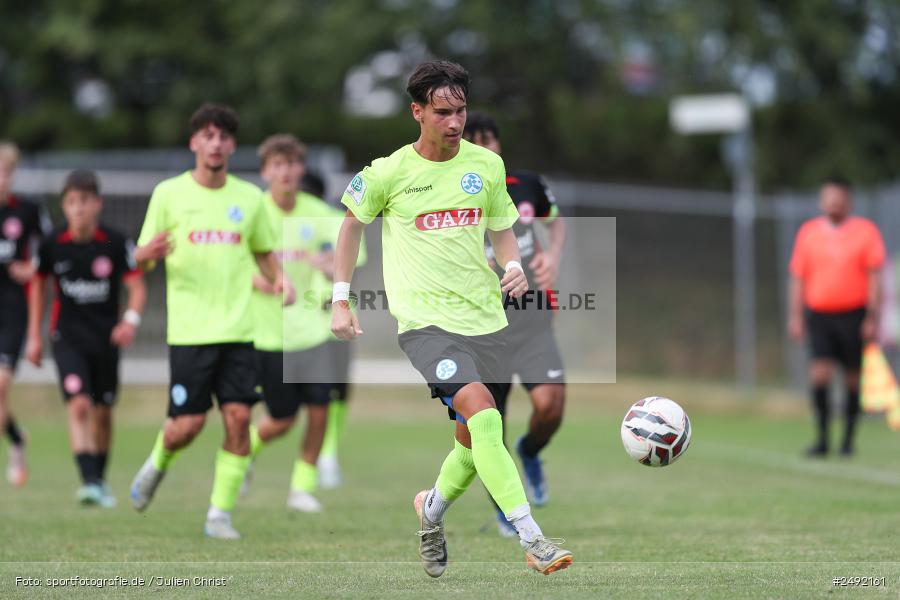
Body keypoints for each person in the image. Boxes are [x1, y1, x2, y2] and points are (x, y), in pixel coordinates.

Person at [331, 60, 572, 577]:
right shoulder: (388, 172)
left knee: (470, 443)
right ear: (417, 112)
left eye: (460, 110)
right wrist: (339, 297)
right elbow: (350, 226)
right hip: (425, 327)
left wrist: (511, 264)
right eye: (443, 112)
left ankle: (431, 511)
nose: (455, 121)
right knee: (487, 417)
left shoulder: (484, 166)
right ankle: (534, 539)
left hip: (486, 321)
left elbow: (504, 226)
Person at [128, 103, 293, 539]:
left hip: (239, 331)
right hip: (189, 333)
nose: (216, 143)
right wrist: (143, 256)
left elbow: (262, 250)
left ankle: (219, 514)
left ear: (231, 145)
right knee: (188, 426)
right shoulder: (169, 194)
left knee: (239, 419)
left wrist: (281, 281)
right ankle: (157, 462)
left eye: (223, 136)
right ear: (195, 143)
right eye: (208, 135)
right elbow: (142, 259)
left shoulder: (249, 198)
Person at [246, 134, 363, 511]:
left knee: (319, 410)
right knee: (281, 419)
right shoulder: (253, 213)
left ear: (301, 169)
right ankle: (244, 452)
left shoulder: (320, 213)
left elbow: (349, 255)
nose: (286, 171)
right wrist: (266, 282)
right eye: (277, 164)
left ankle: (302, 487)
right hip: (268, 334)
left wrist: (332, 267)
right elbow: (233, 268)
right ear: (265, 171)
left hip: (312, 330)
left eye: (292, 163)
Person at [463, 112, 567, 536]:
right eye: (475, 141)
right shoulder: (453, 193)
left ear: (499, 145)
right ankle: (506, 509)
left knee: (551, 406)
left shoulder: (526, 184)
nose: (484, 147)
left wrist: (552, 256)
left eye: (489, 139)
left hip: (533, 319)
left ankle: (531, 450)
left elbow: (555, 224)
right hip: (484, 325)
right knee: (491, 421)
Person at [25, 170, 146, 507]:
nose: (78, 209)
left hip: (106, 339)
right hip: (67, 338)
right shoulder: (52, 244)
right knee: (79, 404)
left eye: (85, 202)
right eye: (72, 202)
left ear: (98, 204)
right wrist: (34, 336)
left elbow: (136, 286)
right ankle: (89, 481)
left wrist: (130, 322)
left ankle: (100, 478)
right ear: (64, 206)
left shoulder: (116, 241)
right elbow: (37, 284)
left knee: (103, 411)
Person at [788, 177, 885, 457]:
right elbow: (797, 276)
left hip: (853, 314)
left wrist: (871, 316)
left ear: (848, 201)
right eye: (828, 197)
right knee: (819, 374)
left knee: (852, 379)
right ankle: (822, 439)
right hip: (819, 314)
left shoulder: (865, 232)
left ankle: (848, 440)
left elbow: (874, 276)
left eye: (839, 197)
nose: (834, 202)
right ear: (821, 200)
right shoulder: (808, 233)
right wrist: (795, 316)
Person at [0, 141, 51, 487]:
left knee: (0, 385)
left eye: (6, 171)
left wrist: (32, 266)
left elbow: (52, 249)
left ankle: (16, 444)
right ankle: (17, 439)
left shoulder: (29, 211)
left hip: (13, 310)